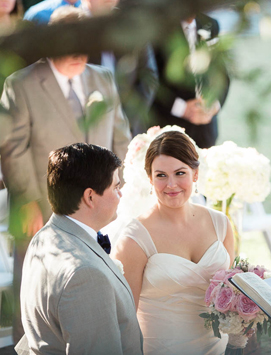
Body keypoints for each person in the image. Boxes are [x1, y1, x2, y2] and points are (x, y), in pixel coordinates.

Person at [0, 5, 131, 343]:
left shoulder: (102, 77)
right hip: (43, 205)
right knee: (34, 287)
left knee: (91, 287)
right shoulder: (21, 83)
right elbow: (12, 147)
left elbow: (120, 135)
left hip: (98, 204)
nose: (77, 54)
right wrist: (27, 200)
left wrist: (124, 188)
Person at [14, 142, 143, 355]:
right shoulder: (85, 275)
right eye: (115, 187)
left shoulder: (44, 237)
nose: (120, 195)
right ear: (90, 197)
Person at [113, 130, 235, 354]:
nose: (171, 184)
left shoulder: (221, 224)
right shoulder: (134, 239)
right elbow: (123, 321)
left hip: (217, 348)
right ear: (149, 178)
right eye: (161, 175)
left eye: (180, 173)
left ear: (195, 174)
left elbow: (232, 294)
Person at [152, 13, 230, 149]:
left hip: (206, 131)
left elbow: (221, 73)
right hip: (166, 130)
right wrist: (182, 109)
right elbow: (149, 78)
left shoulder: (210, 25)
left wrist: (214, 104)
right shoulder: (157, 27)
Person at [82, 0, 158, 137]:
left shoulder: (132, 25)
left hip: (129, 129)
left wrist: (127, 119)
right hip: (85, 131)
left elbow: (149, 76)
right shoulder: (71, 26)